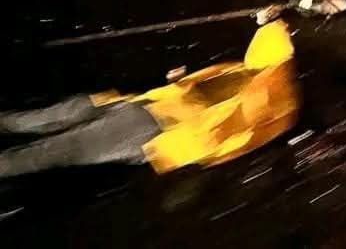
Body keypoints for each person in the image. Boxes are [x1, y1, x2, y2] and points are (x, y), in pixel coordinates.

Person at [0, 20, 299, 178]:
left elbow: (221, 127)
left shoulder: (264, 91)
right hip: (151, 119)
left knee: (58, 132)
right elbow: (222, 131)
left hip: (152, 121)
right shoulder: (257, 81)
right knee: (60, 139)